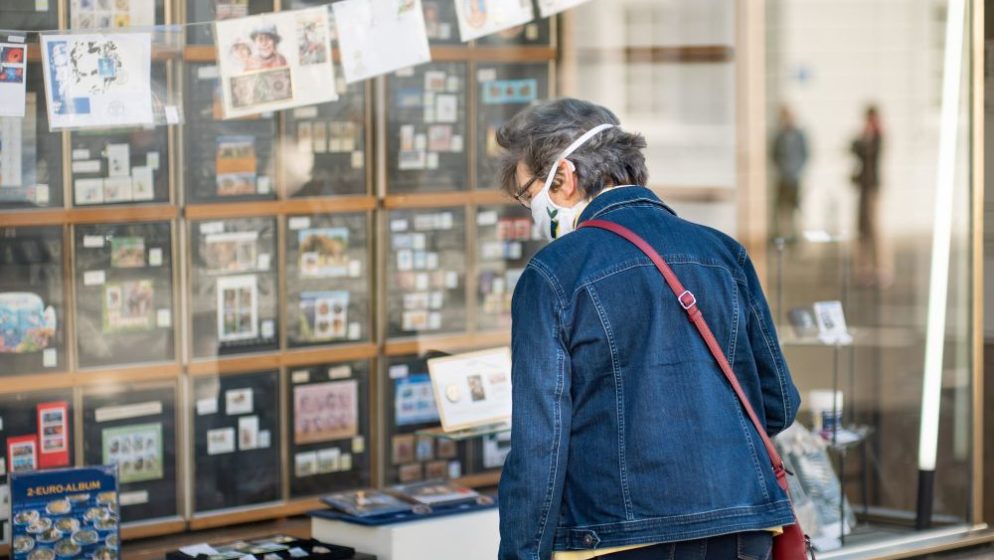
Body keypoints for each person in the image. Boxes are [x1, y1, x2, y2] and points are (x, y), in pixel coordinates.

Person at [495, 98, 801, 560]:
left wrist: (521, 553)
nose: (530, 209)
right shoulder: (723, 252)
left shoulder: (554, 273)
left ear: (565, 177)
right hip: (743, 524)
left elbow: (541, 446)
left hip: (617, 535)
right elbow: (778, 402)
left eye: (528, 194)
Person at [850, 104, 889, 286]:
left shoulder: (878, 137)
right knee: (862, 229)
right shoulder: (866, 137)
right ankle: (863, 267)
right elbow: (855, 148)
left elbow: (867, 152)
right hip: (863, 187)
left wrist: (866, 138)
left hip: (872, 188)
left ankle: (881, 267)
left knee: (874, 228)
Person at [771, 105, 809, 241]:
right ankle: (782, 233)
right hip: (783, 177)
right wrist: (782, 170)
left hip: (795, 178)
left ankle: (795, 234)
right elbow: (774, 155)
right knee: (781, 207)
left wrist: (797, 170)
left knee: (795, 207)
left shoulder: (799, 135)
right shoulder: (779, 136)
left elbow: (805, 154)